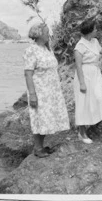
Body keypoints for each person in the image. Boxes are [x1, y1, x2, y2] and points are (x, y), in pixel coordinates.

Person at [23, 21, 70, 157]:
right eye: (46, 32)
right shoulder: (31, 50)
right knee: (39, 117)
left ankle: (41, 146)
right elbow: (28, 74)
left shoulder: (46, 48)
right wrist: (32, 94)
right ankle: (37, 149)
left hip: (51, 90)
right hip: (40, 91)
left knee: (46, 118)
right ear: (39, 34)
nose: (48, 34)